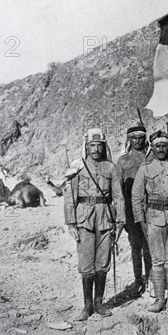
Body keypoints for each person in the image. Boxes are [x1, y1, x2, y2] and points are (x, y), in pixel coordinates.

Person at [63, 128, 125, 321]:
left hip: (105, 219)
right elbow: (69, 197)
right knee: (86, 263)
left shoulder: (110, 168)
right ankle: (87, 305)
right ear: (86, 147)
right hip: (85, 219)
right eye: (92, 145)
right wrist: (71, 223)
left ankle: (99, 302)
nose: (96, 149)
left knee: (103, 262)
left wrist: (121, 220)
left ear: (104, 146)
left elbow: (118, 197)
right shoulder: (78, 167)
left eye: (99, 145)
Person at [131, 131, 168, 313]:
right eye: (158, 146)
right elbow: (136, 197)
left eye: (165, 146)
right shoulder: (146, 168)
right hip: (154, 219)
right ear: (152, 148)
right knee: (157, 261)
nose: (161, 149)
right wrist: (141, 221)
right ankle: (159, 299)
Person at [116, 123, 152, 297]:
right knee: (136, 244)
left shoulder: (151, 157)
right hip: (131, 207)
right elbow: (118, 189)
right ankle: (138, 280)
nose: (137, 141)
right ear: (128, 140)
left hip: (150, 206)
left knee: (150, 244)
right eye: (134, 138)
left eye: (140, 137)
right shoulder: (123, 161)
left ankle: (152, 278)